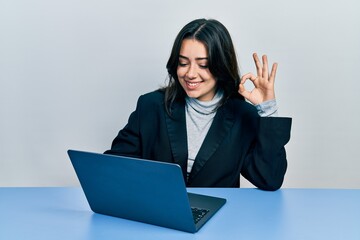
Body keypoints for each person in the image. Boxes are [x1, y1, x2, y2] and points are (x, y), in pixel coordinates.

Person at [104, 18, 292, 190]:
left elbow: (269, 179)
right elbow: (113, 166)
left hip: (220, 219)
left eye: (203, 65)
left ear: (221, 66)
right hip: (159, 215)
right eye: (183, 63)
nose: (191, 74)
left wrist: (267, 109)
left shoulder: (242, 115)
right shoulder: (151, 105)